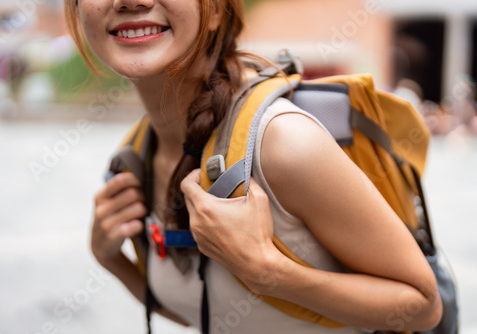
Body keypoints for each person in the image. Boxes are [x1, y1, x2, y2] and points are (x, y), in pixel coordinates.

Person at [65, 0, 443, 332]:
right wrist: (112, 260)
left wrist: (268, 272)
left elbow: (424, 306)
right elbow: (208, 313)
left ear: (213, 10)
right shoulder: (137, 154)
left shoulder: (284, 142)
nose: (130, 1)